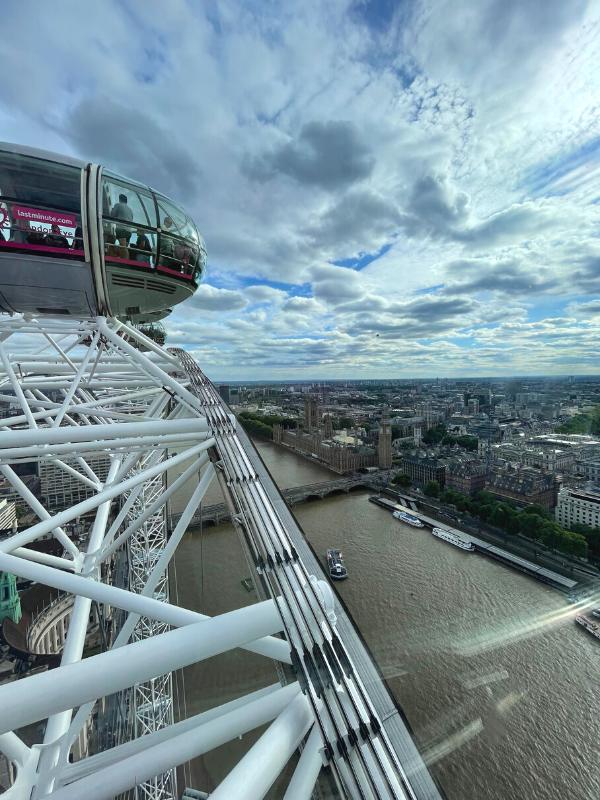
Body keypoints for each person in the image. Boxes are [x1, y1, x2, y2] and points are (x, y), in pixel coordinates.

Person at [110, 193, 133, 257]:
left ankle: (125, 261)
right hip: (129, 231)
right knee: (124, 247)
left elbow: (112, 215)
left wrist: (112, 210)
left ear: (120, 199)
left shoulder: (118, 205)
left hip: (121, 229)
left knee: (122, 246)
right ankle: (125, 259)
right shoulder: (130, 209)